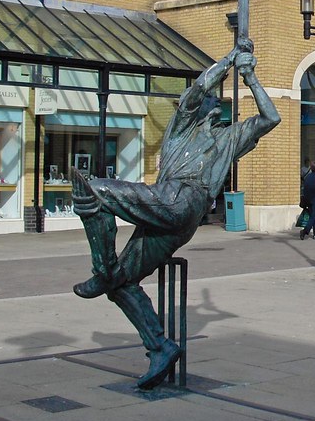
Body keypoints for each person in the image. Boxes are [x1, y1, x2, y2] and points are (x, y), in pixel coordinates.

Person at [71, 35, 280, 390]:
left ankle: (101, 270)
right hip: (175, 214)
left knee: (95, 190)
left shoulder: (229, 137)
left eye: (207, 101)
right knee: (121, 283)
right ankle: (160, 347)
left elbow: (271, 117)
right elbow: (199, 87)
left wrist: (250, 77)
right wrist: (230, 59)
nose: (199, 102)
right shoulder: (182, 127)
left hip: (182, 200)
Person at [300, 161, 315, 240]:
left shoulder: (307, 177)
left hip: (308, 199)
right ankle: (305, 231)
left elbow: (305, 189)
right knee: (313, 216)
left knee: (314, 215)